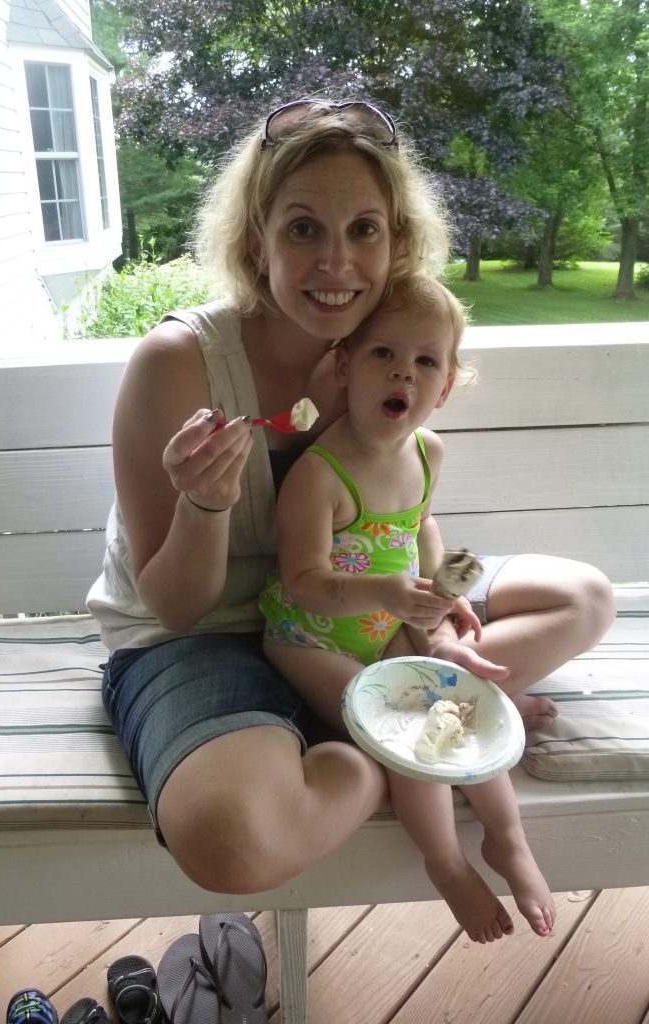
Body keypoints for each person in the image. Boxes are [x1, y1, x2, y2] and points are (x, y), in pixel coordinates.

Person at [86, 97, 615, 901]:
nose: (337, 264)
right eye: (303, 229)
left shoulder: (388, 351)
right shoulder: (180, 363)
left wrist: (433, 610)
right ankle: (382, 749)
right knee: (233, 843)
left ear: (397, 242)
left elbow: (409, 513)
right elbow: (174, 607)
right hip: (211, 633)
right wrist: (203, 505)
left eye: (363, 230)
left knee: (583, 597)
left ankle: (415, 699)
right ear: (252, 239)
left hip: (364, 603)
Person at [258, 275, 555, 941]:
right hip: (312, 640)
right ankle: (446, 863)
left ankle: (508, 840)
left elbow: (421, 529)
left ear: (445, 385)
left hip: (388, 623)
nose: (404, 373)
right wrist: (387, 595)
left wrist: (442, 608)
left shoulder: (427, 452)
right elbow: (304, 581)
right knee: (408, 730)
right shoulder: (319, 476)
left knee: (463, 694)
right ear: (343, 367)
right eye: (382, 354)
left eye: (426, 361)